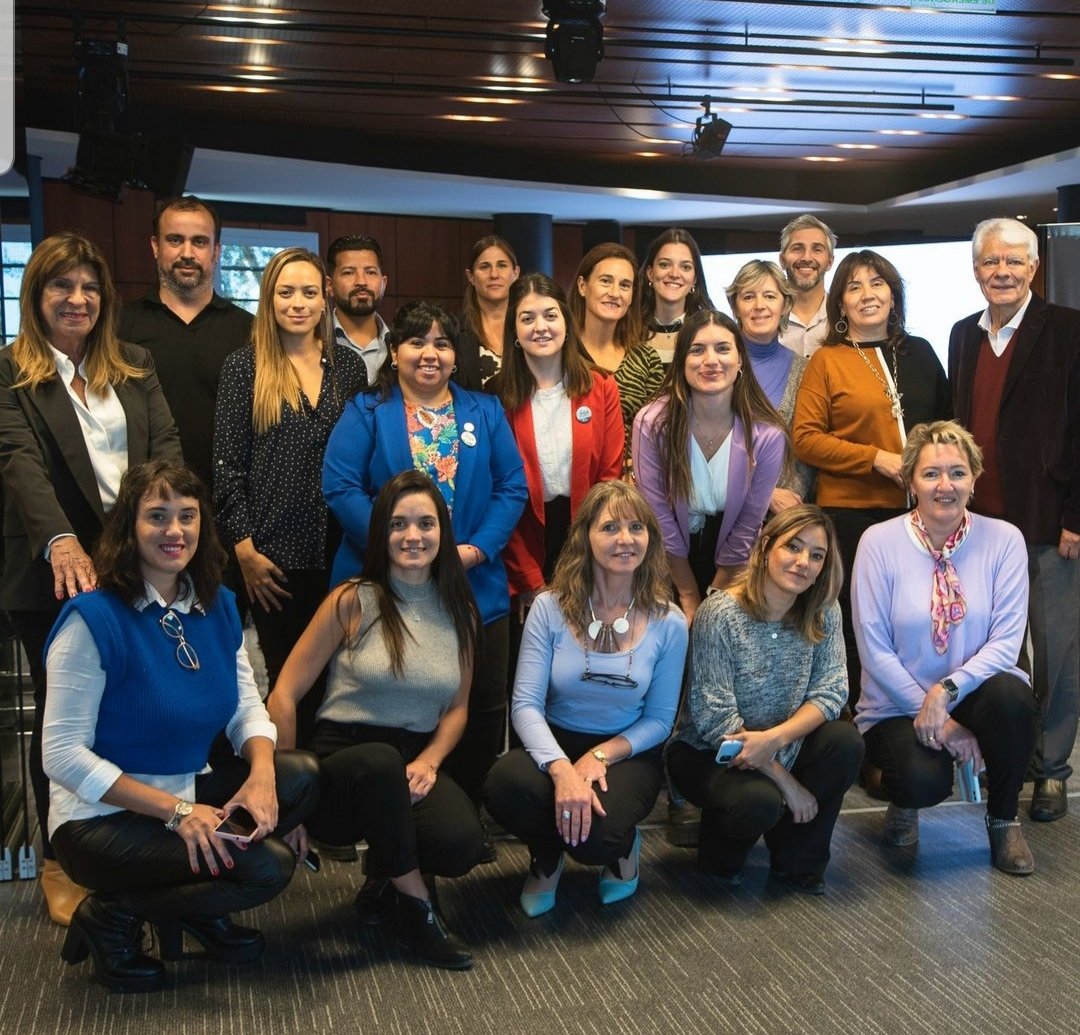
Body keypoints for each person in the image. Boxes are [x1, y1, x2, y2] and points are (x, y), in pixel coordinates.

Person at [43, 460, 319, 992]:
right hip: (103, 819)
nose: (175, 530)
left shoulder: (216, 606)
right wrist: (176, 812)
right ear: (129, 527)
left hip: (188, 790)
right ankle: (113, 914)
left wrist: (261, 776)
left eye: (187, 516)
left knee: (300, 776)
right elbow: (60, 755)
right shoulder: (92, 619)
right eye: (157, 516)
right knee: (267, 868)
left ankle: (193, 904)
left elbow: (245, 707)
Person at [0, 232, 181, 926]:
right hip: (52, 573)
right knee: (66, 719)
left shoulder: (135, 364)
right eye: (61, 286)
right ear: (36, 295)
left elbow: (165, 449)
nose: (77, 299)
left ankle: (133, 843)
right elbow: (20, 463)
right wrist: (62, 542)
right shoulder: (10, 371)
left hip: (136, 566)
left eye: (89, 287)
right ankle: (61, 859)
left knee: (132, 712)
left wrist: (161, 532)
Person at [268, 470, 483, 969]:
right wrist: (286, 795)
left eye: (425, 523)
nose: (413, 536)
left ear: (443, 531)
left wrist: (431, 761)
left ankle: (386, 876)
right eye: (398, 523)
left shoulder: (461, 611)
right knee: (382, 762)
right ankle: (420, 912)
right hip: (344, 764)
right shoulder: (352, 599)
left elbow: (457, 708)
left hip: (411, 763)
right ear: (381, 532)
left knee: (461, 843)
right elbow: (283, 694)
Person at [322, 300, 528, 802]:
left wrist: (476, 550)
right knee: (393, 699)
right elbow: (341, 486)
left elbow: (512, 487)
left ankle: (467, 807)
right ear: (394, 352)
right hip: (385, 584)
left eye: (442, 343)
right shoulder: (367, 410)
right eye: (416, 342)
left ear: (456, 356)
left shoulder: (485, 411)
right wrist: (397, 548)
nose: (429, 354)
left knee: (482, 705)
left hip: (473, 581)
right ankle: (392, 806)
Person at [484, 481, 688, 915]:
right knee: (504, 787)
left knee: (597, 839)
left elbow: (660, 720)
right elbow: (525, 705)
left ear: (650, 539)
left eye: (636, 527)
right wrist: (562, 770)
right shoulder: (549, 607)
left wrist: (599, 757)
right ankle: (546, 858)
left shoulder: (669, 621)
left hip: (626, 751)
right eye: (610, 527)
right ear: (585, 537)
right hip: (554, 742)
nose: (625, 539)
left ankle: (622, 851)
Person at [852, 421, 1037, 874]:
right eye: (931, 473)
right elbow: (874, 650)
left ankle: (1004, 818)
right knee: (922, 781)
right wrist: (943, 723)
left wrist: (946, 692)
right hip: (897, 703)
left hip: (972, 691)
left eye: (957, 473)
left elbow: (1006, 643)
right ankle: (904, 802)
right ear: (910, 480)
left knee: (1014, 701)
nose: (945, 485)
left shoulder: (1005, 540)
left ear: (975, 479)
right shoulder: (878, 543)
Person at [948, 218, 1080, 823]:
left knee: (1057, 655)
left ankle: (1051, 771)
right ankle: (1017, 755)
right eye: (990, 261)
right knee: (998, 652)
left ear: (1033, 267)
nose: (1001, 271)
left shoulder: (1069, 330)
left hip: (1050, 522)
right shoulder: (962, 335)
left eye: (1013, 261)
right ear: (976, 269)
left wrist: (1076, 515)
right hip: (980, 528)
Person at [213, 247, 366, 746]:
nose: (297, 303)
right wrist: (244, 550)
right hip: (272, 559)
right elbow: (227, 467)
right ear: (269, 298)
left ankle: (330, 784)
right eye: (285, 292)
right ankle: (286, 784)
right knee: (284, 680)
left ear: (325, 298)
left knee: (338, 681)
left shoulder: (348, 366)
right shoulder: (245, 367)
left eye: (307, 292)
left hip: (340, 552)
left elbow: (363, 459)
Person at [667, 505, 862, 893]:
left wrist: (774, 739)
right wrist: (786, 781)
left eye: (816, 555)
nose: (803, 562)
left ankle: (798, 861)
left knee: (844, 742)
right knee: (758, 804)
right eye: (793, 547)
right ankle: (720, 854)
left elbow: (832, 691)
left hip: (782, 741)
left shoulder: (824, 610)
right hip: (711, 750)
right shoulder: (720, 612)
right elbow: (714, 717)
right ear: (765, 547)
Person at [792, 249, 950, 701]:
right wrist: (875, 458)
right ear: (840, 303)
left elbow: (948, 424)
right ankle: (863, 721)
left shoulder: (920, 352)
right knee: (859, 624)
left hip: (920, 517)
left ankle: (918, 708)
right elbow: (805, 439)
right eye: (854, 287)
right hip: (851, 516)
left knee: (917, 619)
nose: (867, 295)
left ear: (893, 296)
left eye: (877, 284)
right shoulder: (827, 360)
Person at [632, 309, 787, 626]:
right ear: (681, 362)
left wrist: (715, 594)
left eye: (723, 348)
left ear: (740, 360)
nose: (711, 360)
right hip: (664, 558)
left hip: (734, 561)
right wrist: (688, 593)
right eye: (697, 350)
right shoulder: (651, 424)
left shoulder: (768, 434)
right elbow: (658, 516)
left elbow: (748, 523)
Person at [492, 272, 624, 621]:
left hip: (589, 537)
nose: (541, 327)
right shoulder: (495, 397)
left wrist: (590, 561)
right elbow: (499, 493)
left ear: (566, 321)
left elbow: (608, 481)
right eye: (527, 318)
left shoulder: (602, 387)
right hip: (522, 546)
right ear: (514, 330)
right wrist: (528, 579)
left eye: (550, 315)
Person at [120, 195, 256, 489]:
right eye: (175, 240)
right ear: (155, 246)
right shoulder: (119, 327)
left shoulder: (251, 331)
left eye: (199, 242)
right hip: (145, 498)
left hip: (229, 499)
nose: (187, 253)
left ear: (216, 251)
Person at [726, 258, 814, 511]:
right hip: (722, 509)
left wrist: (790, 499)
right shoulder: (718, 364)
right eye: (748, 296)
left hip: (785, 515)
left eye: (769, 296)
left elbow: (805, 449)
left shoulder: (805, 370)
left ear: (785, 305)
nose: (759, 306)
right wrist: (764, 496)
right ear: (735, 306)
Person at [570, 242, 662, 449]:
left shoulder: (646, 358)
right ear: (582, 286)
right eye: (605, 281)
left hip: (630, 466)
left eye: (625, 285)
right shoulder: (560, 352)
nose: (614, 293)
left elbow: (657, 430)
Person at [639, 228, 715, 368]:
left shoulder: (709, 331)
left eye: (685, 267)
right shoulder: (628, 331)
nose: (674, 274)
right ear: (650, 273)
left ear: (694, 279)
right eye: (664, 265)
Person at [456, 234, 520, 388]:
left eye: (502, 265)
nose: (494, 274)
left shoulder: (531, 326)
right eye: (484, 267)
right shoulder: (455, 331)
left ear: (515, 273)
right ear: (471, 276)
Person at [326, 233, 391, 383]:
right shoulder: (313, 342)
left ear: (383, 284)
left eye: (370, 272)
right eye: (349, 272)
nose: (361, 281)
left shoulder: (400, 345)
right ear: (329, 285)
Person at [777, 214, 836, 357]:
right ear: (782, 260)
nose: (806, 257)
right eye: (797, 248)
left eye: (817, 249)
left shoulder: (845, 316)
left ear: (829, 262)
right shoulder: (766, 317)